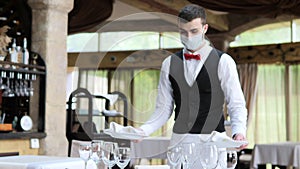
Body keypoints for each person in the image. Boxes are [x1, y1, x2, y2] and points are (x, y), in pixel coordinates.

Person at [136, 4, 248, 169]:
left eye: (194, 31)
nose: (188, 36)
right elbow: (163, 108)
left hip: (213, 142)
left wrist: (239, 132)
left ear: (205, 29)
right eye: (183, 32)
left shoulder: (223, 61)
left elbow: (236, 103)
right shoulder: (169, 63)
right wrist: (143, 131)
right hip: (180, 143)